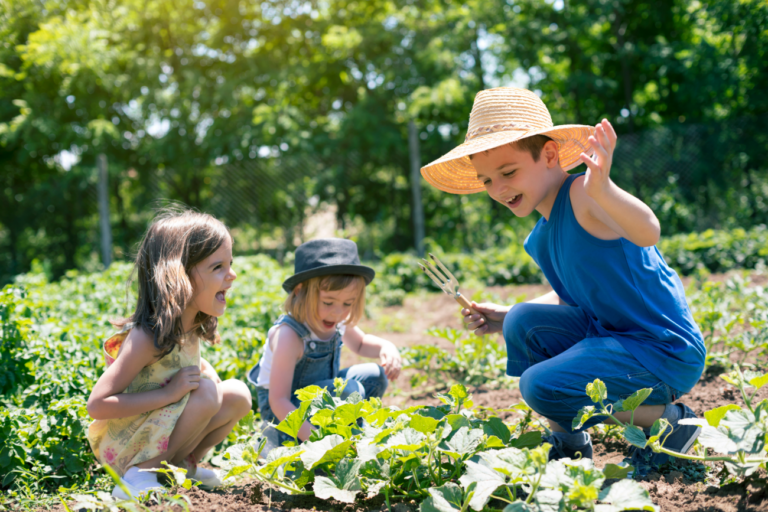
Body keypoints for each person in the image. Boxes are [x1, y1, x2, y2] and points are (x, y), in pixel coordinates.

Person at [420, 87, 706, 472]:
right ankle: (569, 441)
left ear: (550, 155)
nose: (499, 189)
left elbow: (648, 231)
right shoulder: (540, 236)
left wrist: (603, 188)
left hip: (660, 351)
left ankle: (669, 423)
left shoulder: (585, 195)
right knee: (522, 321)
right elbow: (571, 298)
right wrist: (503, 316)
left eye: (508, 172)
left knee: (540, 386)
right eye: (487, 181)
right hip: (615, 341)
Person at [86, 208, 252, 499]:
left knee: (237, 394)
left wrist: (202, 371)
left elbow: (178, 367)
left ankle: (183, 466)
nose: (232, 274)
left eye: (230, 263)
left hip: (161, 432)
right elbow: (98, 405)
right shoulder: (146, 337)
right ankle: (138, 477)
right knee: (208, 394)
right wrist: (168, 394)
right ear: (179, 276)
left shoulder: (190, 325)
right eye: (218, 267)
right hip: (129, 446)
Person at [247, 238, 402, 453]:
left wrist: (387, 347)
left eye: (348, 303)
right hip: (285, 414)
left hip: (318, 402)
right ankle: (283, 440)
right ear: (300, 292)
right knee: (352, 389)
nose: (338, 312)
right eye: (328, 302)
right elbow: (278, 400)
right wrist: (318, 442)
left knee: (375, 375)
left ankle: (348, 437)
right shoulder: (289, 336)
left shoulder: (336, 321)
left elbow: (360, 344)